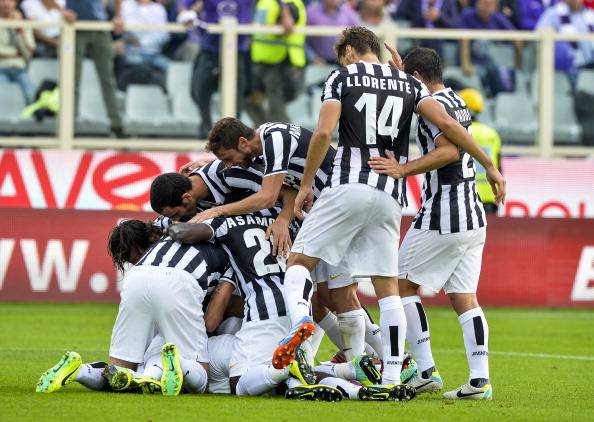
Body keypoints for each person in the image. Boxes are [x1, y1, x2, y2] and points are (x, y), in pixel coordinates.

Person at [278, 26, 505, 386]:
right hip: (390, 195)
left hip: (350, 183)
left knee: (300, 262)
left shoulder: (340, 76)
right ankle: (394, 377)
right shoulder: (413, 86)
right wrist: (489, 164)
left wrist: (306, 185)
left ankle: (298, 321)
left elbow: (323, 134)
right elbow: (447, 124)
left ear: (350, 51)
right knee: (389, 290)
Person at [369, 47, 494, 400]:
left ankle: (425, 371)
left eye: (408, 76)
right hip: (474, 215)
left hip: (445, 211)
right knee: (465, 298)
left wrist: (402, 169)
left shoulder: (432, 110)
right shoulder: (455, 98)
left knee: (400, 286)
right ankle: (479, 382)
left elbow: (449, 152)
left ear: (418, 79)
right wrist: (400, 69)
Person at [47, 0, 125, 136]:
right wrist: (62, 11)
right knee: (70, 81)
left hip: (99, 27)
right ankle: (67, 129)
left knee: (108, 80)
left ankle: (117, 126)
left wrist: (118, 16)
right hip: (73, 27)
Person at [180, 0, 252, 138]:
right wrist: (186, 13)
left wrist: (285, 13)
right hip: (211, 48)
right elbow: (184, 5)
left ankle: (233, 134)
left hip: (238, 49)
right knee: (199, 89)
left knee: (237, 93)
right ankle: (206, 128)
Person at [247, 0, 307, 126]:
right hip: (260, 59)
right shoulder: (263, 2)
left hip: (280, 61)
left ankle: (286, 138)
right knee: (249, 99)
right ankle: (264, 133)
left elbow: (287, 26)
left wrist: (284, 14)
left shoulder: (290, 3)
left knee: (276, 105)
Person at [459, 0, 523, 97]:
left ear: (495, 7)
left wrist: (518, 65)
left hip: (491, 64)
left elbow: (517, 38)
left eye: (490, 5)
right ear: (477, 4)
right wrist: (466, 65)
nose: (486, 8)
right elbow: (464, 40)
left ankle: (501, 101)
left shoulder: (497, 17)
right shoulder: (467, 15)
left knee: (502, 73)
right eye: (484, 4)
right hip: (474, 63)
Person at [458, 87, 502, 214]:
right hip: (490, 194)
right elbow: (498, 166)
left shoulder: (459, 132)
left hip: (465, 194)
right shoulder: (492, 133)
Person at [536, 0, 594, 83]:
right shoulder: (553, 13)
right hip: (568, 67)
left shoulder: (590, 14)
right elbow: (540, 34)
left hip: (590, 63)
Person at [118, 0, 170, 74]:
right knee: (136, 65)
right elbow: (124, 31)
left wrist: (141, 42)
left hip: (154, 54)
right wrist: (129, 39)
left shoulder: (159, 9)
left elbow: (164, 35)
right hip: (131, 53)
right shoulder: (125, 5)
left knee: (166, 65)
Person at [0, 0, 36, 104]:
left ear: (15, 3)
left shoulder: (22, 24)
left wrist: (19, 29)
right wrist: (15, 54)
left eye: (10, 0)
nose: (6, 3)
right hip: (1, 68)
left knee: (31, 95)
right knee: (3, 96)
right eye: (3, 0)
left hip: (20, 69)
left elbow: (28, 53)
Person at [306, 0, 360, 65]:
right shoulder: (310, 12)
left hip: (344, 63)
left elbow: (358, 37)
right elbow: (302, 39)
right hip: (317, 64)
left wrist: (350, 57)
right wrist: (313, 58)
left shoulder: (349, 13)